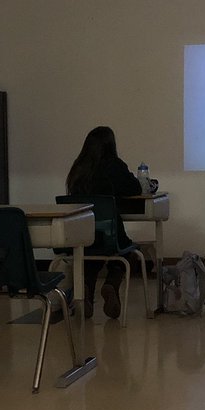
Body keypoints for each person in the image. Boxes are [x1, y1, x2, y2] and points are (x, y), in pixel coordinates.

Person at [65, 126, 141, 319]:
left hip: (79, 234)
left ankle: (87, 292)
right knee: (129, 252)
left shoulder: (77, 168)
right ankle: (111, 284)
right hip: (110, 235)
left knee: (90, 252)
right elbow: (135, 188)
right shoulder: (114, 165)